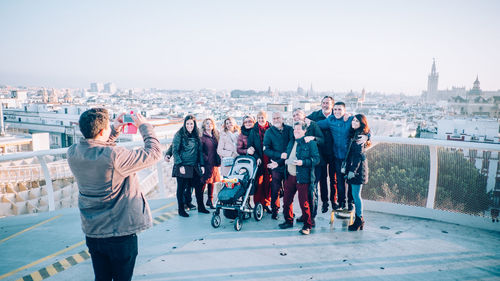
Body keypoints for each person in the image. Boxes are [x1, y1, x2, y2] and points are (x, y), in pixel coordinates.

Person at [67, 108, 162, 281]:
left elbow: (97, 149)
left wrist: (113, 130)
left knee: (101, 277)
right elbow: (154, 153)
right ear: (103, 130)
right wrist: (145, 126)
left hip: (93, 232)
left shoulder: (73, 152)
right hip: (119, 234)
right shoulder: (114, 156)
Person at [316, 102, 368, 211]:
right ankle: (341, 203)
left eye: (339, 109)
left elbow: (364, 125)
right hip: (337, 157)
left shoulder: (351, 119)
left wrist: (367, 136)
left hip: (350, 157)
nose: (337, 112)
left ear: (344, 110)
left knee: (350, 181)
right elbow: (316, 124)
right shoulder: (330, 120)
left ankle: (350, 203)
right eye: (335, 109)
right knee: (339, 182)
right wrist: (304, 121)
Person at [279, 121, 320, 235]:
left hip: (303, 178)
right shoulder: (291, 142)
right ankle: (288, 221)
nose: (296, 131)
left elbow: (316, 159)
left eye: (298, 129)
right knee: (286, 201)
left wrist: (303, 162)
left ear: (304, 131)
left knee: (304, 203)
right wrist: (284, 161)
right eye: (294, 129)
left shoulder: (310, 143)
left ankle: (307, 225)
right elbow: (288, 155)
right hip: (289, 176)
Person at [172, 115, 209, 217]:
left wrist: (202, 165)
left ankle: (201, 207)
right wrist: (180, 165)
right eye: (187, 123)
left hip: (194, 166)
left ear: (194, 124)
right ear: (184, 124)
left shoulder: (196, 134)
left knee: (198, 187)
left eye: (191, 124)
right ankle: (181, 210)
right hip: (183, 165)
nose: (189, 126)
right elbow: (175, 150)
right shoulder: (179, 134)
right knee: (181, 188)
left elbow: (200, 151)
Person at [292, 108, 324, 221]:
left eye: (298, 114)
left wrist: (313, 138)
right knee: (304, 193)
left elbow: (322, 140)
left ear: (304, 115)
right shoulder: (295, 128)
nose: (296, 116)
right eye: (294, 115)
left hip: (314, 164)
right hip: (301, 165)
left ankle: (312, 217)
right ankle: (306, 215)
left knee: (312, 190)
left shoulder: (312, 125)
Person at [306, 96, 336, 213]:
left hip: (334, 152)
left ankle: (334, 201)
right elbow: (303, 121)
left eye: (327, 103)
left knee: (334, 179)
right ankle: (325, 202)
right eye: (323, 103)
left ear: (332, 105)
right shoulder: (315, 115)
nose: (325, 105)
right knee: (323, 178)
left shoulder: (337, 114)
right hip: (320, 152)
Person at [263, 111, 294, 219]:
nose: (276, 120)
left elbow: (291, 145)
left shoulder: (289, 129)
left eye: (278, 118)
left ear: (282, 118)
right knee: (275, 188)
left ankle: (288, 211)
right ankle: (275, 210)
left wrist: (284, 157)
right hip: (275, 165)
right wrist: (280, 155)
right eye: (274, 118)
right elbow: (266, 149)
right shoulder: (269, 132)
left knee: (289, 189)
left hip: (288, 164)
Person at [345, 114, 370, 231]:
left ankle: (359, 220)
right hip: (355, 169)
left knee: (356, 196)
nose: (353, 122)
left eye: (356, 121)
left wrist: (352, 171)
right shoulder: (356, 133)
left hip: (358, 170)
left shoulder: (360, 136)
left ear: (361, 123)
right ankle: (358, 219)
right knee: (355, 195)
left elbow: (358, 156)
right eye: (353, 120)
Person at [247, 110, 272, 212]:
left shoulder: (271, 129)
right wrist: (257, 157)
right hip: (259, 159)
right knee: (258, 182)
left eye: (262, 118)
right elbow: (250, 145)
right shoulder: (254, 131)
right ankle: (258, 204)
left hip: (269, 158)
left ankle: (266, 203)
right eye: (259, 118)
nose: (261, 120)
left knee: (268, 182)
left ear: (266, 118)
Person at [200, 118, 221, 209]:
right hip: (207, 163)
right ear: (204, 125)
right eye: (207, 123)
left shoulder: (215, 135)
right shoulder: (202, 137)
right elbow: (200, 151)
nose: (209, 125)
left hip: (214, 162)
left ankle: (210, 200)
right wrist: (206, 158)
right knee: (204, 182)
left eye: (211, 123)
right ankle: (200, 202)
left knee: (212, 182)